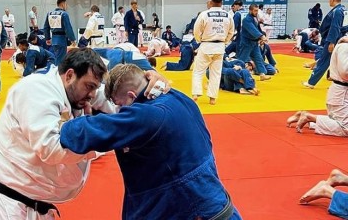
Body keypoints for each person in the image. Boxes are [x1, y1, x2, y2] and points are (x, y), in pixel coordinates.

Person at [0, 48, 169, 219]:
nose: (92, 94)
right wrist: (103, 141)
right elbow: (51, 150)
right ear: (69, 75)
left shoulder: (80, 89)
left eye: (95, 87)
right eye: (90, 86)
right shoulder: (35, 90)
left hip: (35, 203)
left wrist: (150, 85)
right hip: (6, 206)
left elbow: (118, 104)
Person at [59, 63, 241, 219]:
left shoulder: (147, 116)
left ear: (131, 95)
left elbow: (85, 132)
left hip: (190, 209)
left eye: (120, 104)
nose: (119, 109)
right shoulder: (178, 96)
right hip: (213, 202)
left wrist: (64, 125)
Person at [287, 36, 348, 135]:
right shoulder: (344, 47)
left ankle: (310, 120)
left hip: (342, 92)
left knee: (341, 122)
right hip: (341, 93)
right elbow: (345, 73)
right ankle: (309, 117)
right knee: (346, 128)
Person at [192, 0, 235, 105]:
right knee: (216, 74)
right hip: (220, 47)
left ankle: (196, 94)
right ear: (221, 3)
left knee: (198, 71)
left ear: (211, 2)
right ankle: (212, 98)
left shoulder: (204, 14)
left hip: (206, 45)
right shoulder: (228, 15)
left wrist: (199, 40)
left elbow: (196, 30)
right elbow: (231, 32)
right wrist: (224, 42)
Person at [303, 0, 345, 88]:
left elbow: (335, 27)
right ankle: (338, 82)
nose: (329, 1)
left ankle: (311, 82)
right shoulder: (343, 9)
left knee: (324, 61)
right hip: (339, 38)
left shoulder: (337, 11)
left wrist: (332, 42)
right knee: (337, 61)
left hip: (333, 39)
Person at [237, 4, 271, 81]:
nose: (256, 12)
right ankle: (236, 74)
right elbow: (253, 30)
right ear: (250, 10)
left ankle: (262, 74)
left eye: (257, 10)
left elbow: (258, 29)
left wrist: (261, 36)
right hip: (246, 43)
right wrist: (261, 36)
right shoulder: (246, 20)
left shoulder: (255, 18)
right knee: (242, 60)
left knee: (258, 58)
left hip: (254, 43)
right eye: (255, 10)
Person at [43, 0, 76, 65]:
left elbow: (46, 27)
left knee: (57, 57)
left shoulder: (49, 14)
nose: (66, 6)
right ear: (62, 4)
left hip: (54, 40)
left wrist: (47, 38)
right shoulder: (64, 14)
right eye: (66, 4)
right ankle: (58, 73)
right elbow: (68, 28)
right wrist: (72, 39)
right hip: (61, 40)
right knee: (61, 60)